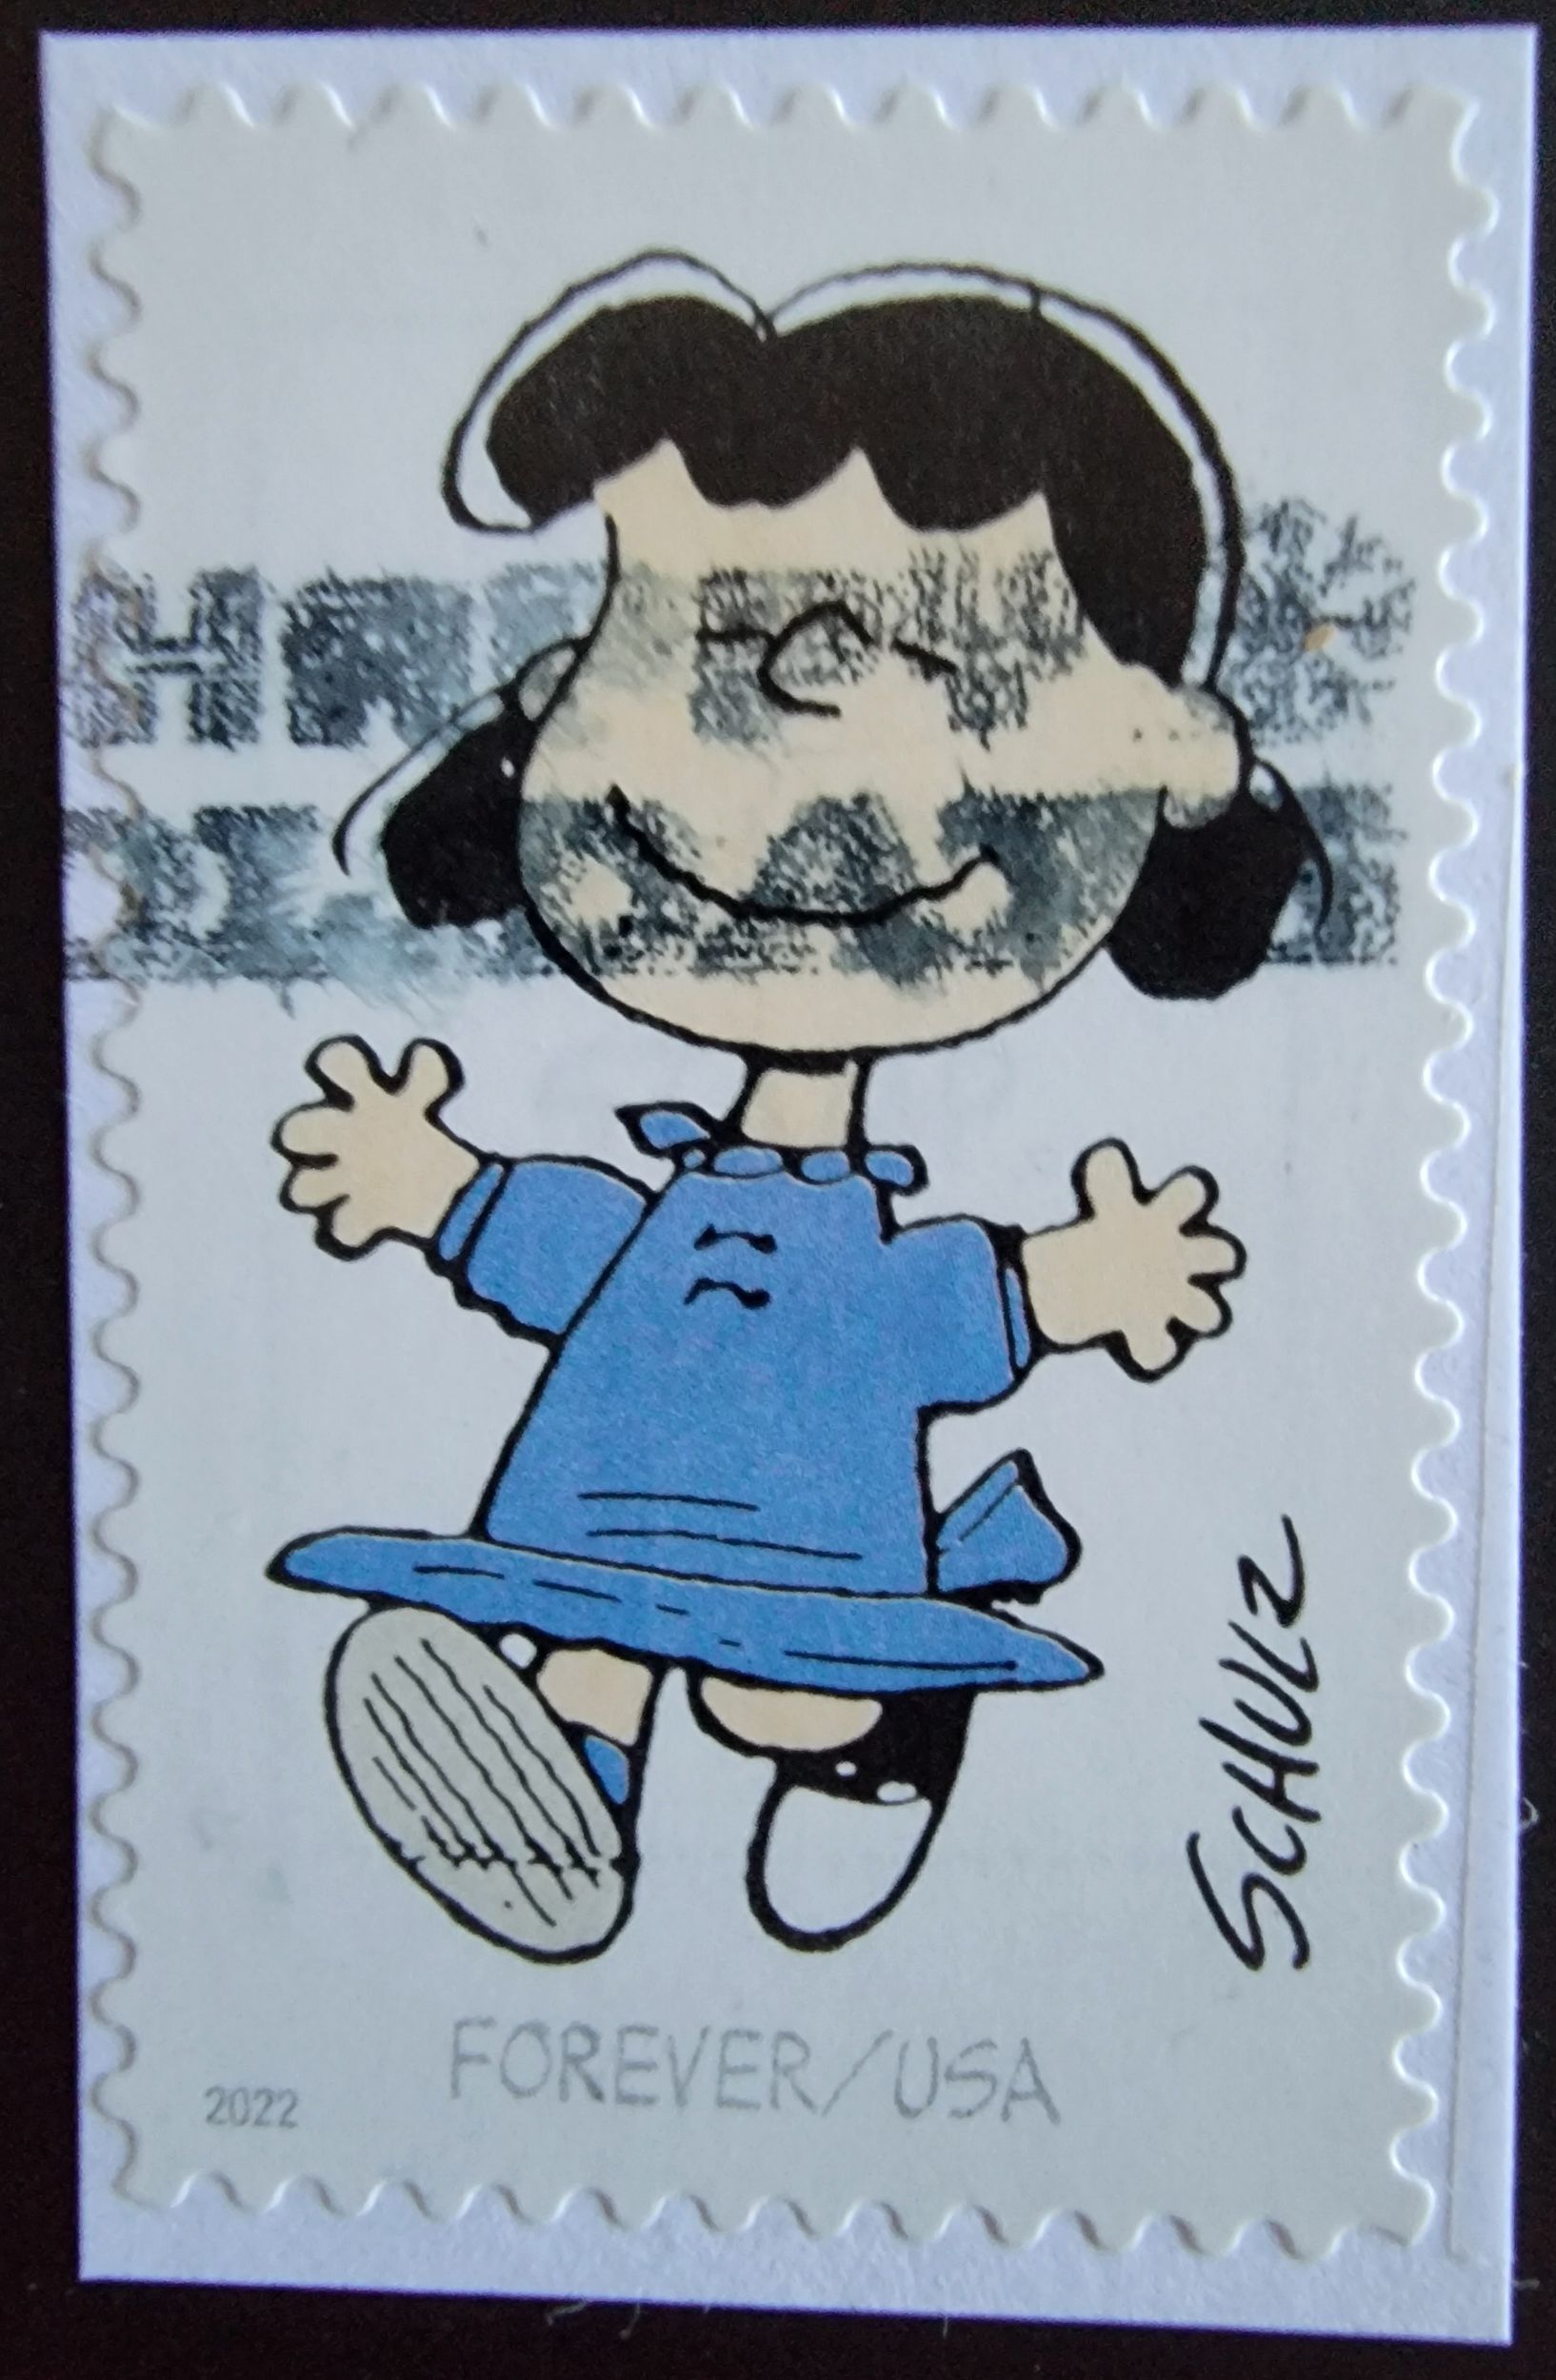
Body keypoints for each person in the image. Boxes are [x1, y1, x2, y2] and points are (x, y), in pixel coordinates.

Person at [270, 255, 1325, 1960]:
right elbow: (575, 1253)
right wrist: (437, 1184)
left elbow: (948, 1311)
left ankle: (885, 1739)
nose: (794, 728)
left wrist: (1083, 1281)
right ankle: (567, 1810)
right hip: (592, 1503)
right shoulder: (667, 1204)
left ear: (1146, 765)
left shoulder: (864, 1260)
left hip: (817, 1530)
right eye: (700, 647)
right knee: (590, 1646)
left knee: (780, 1693)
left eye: (948, 675)